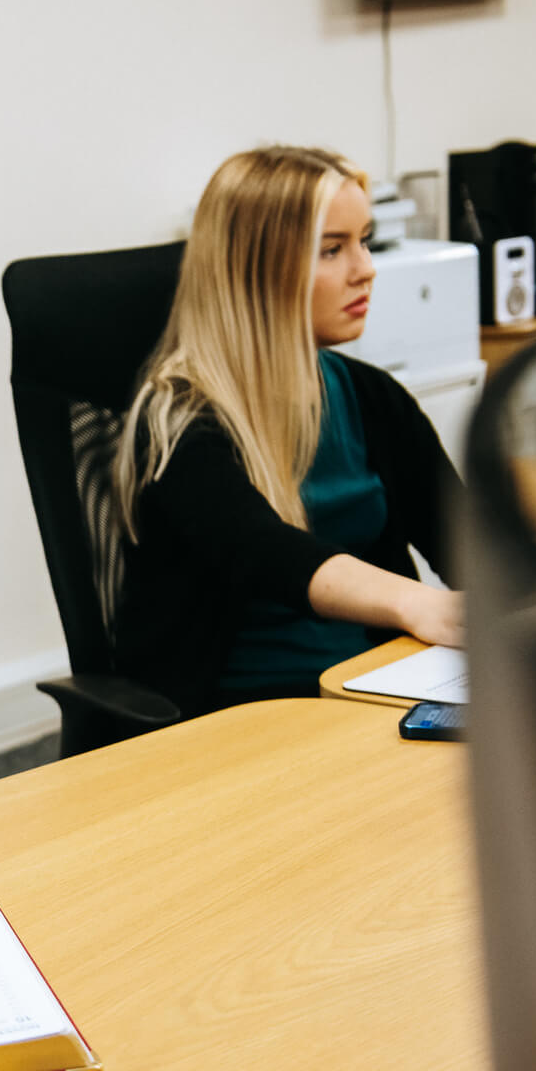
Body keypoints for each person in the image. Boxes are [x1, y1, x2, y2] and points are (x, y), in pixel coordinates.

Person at [108, 145, 462, 718]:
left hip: (379, 682)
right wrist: (414, 601)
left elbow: (466, 539)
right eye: (332, 249)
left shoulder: (372, 397)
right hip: (248, 715)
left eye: (365, 240)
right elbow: (270, 555)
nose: (365, 268)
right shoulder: (176, 420)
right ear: (254, 270)